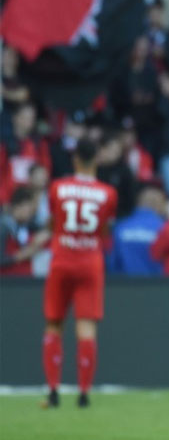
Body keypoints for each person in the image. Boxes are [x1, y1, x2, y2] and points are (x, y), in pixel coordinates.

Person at [41, 138, 118, 408]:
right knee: (86, 328)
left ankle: (53, 391)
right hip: (90, 263)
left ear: (75, 161)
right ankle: (84, 393)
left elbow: (53, 222)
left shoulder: (57, 188)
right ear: (95, 160)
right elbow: (105, 231)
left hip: (61, 260)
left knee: (54, 324)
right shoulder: (108, 193)